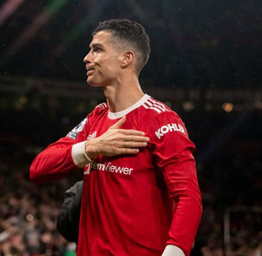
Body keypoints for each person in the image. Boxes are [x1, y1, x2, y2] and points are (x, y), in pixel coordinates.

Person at [30, 18, 202, 256]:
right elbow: (39, 169)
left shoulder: (162, 121)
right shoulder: (94, 119)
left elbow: (188, 197)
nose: (87, 58)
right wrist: (92, 147)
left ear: (126, 58)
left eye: (97, 49)